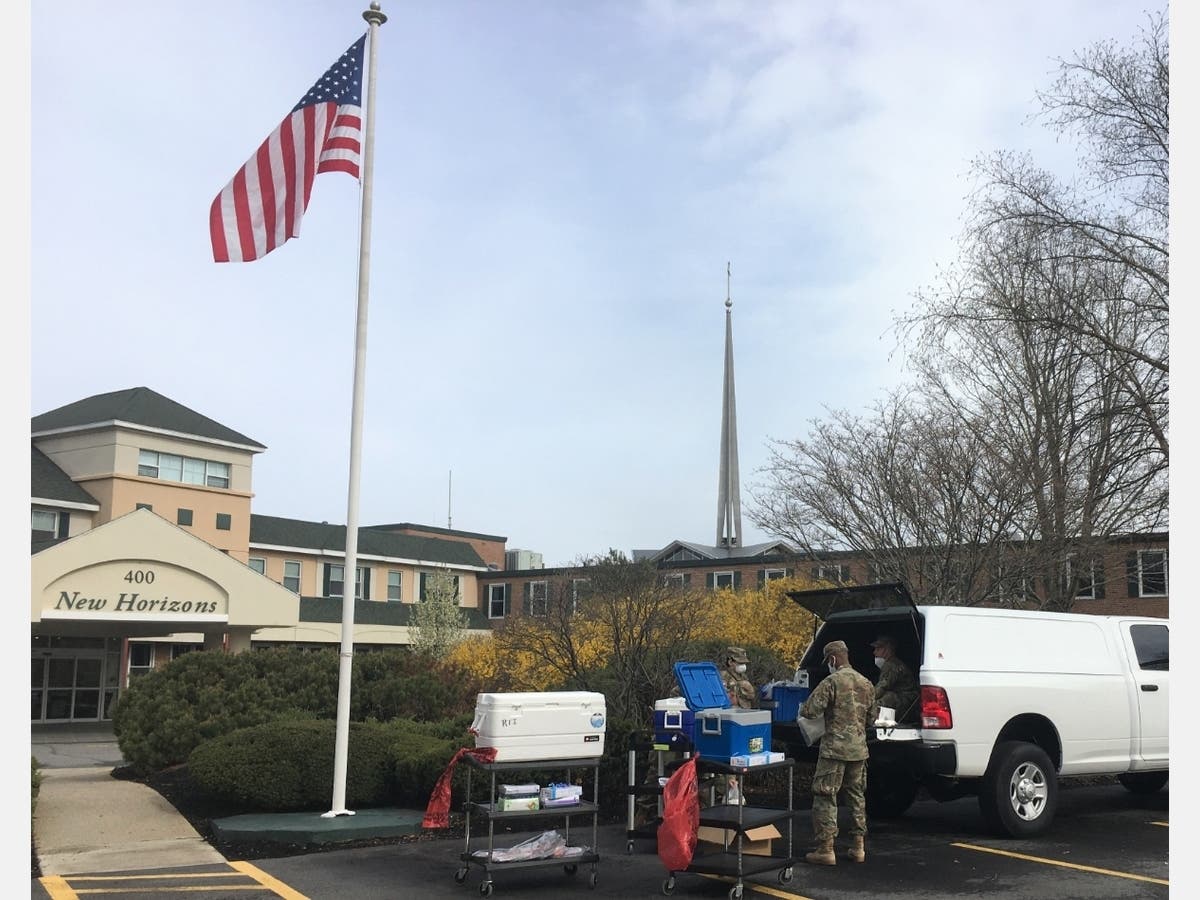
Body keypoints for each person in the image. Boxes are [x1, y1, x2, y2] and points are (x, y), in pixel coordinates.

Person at [798, 639, 878, 865]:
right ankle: (858, 847)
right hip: (859, 750)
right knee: (856, 796)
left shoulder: (831, 682)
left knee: (825, 795)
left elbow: (810, 711)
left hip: (834, 750)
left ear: (832, 659)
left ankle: (825, 848)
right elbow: (872, 719)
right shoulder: (866, 683)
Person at [870, 635, 919, 722]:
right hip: (907, 702)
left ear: (887, 649)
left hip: (906, 702)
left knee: (884, 699)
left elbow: (882, 687)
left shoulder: (891, 665)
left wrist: (866, 698)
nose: (874, 652)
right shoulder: (893, 663)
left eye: (878, 649)